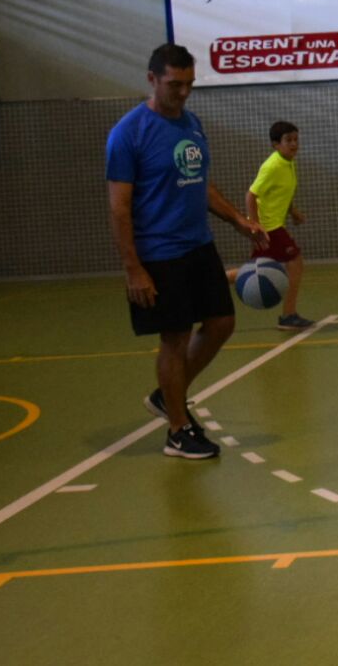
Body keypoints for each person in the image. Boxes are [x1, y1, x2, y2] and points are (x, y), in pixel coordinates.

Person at [106, 43, 267, 460]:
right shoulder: (129, 133)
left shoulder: (191, 123)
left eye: (189, 84)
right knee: (175, 339)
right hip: (160, 253)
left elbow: (200, 182)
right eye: (174, 84)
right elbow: (119, 207)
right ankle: (178, 431)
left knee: (222, 323)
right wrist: (133, 269)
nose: (183, 93)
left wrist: (237, 220)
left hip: (199, 245)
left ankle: (168, 395)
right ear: (152, 79)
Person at [245, 120, 313, 330]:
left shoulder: (288, 162)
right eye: (288, 140)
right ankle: (288, 315)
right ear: (275, 144)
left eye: (296, 139)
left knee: (254, 269)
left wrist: (293, 211)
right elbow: (251, 195)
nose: (294, 144)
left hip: (274, 225)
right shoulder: (272, 166)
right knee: (295, 261)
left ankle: (208, 281)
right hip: (269, 228)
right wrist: (255, 226)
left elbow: (283, 192)